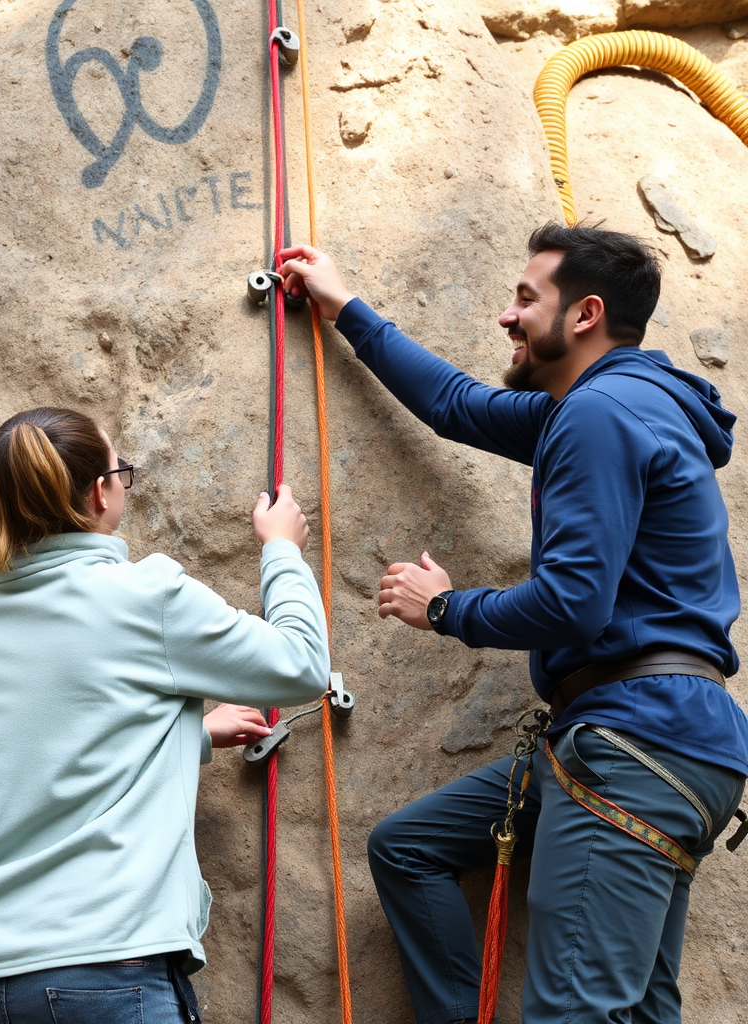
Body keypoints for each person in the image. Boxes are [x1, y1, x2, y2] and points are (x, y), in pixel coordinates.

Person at [277, 226, 748, 1024]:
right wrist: (346, 308)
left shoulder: (598, 415)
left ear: (585, 314)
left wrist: (445, 610)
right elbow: (458, 405)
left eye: (527, 298)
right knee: (411, 848)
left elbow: (573, 602)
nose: (507, 315)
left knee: (577, 1013)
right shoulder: (611, 406)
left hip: (632, 743)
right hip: (662, 742)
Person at [0, 406, 330, 1023]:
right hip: (106, 968)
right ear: (99, 491)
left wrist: (183, 733)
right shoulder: (147, 597)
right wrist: (280, 553)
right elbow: (301, 666)